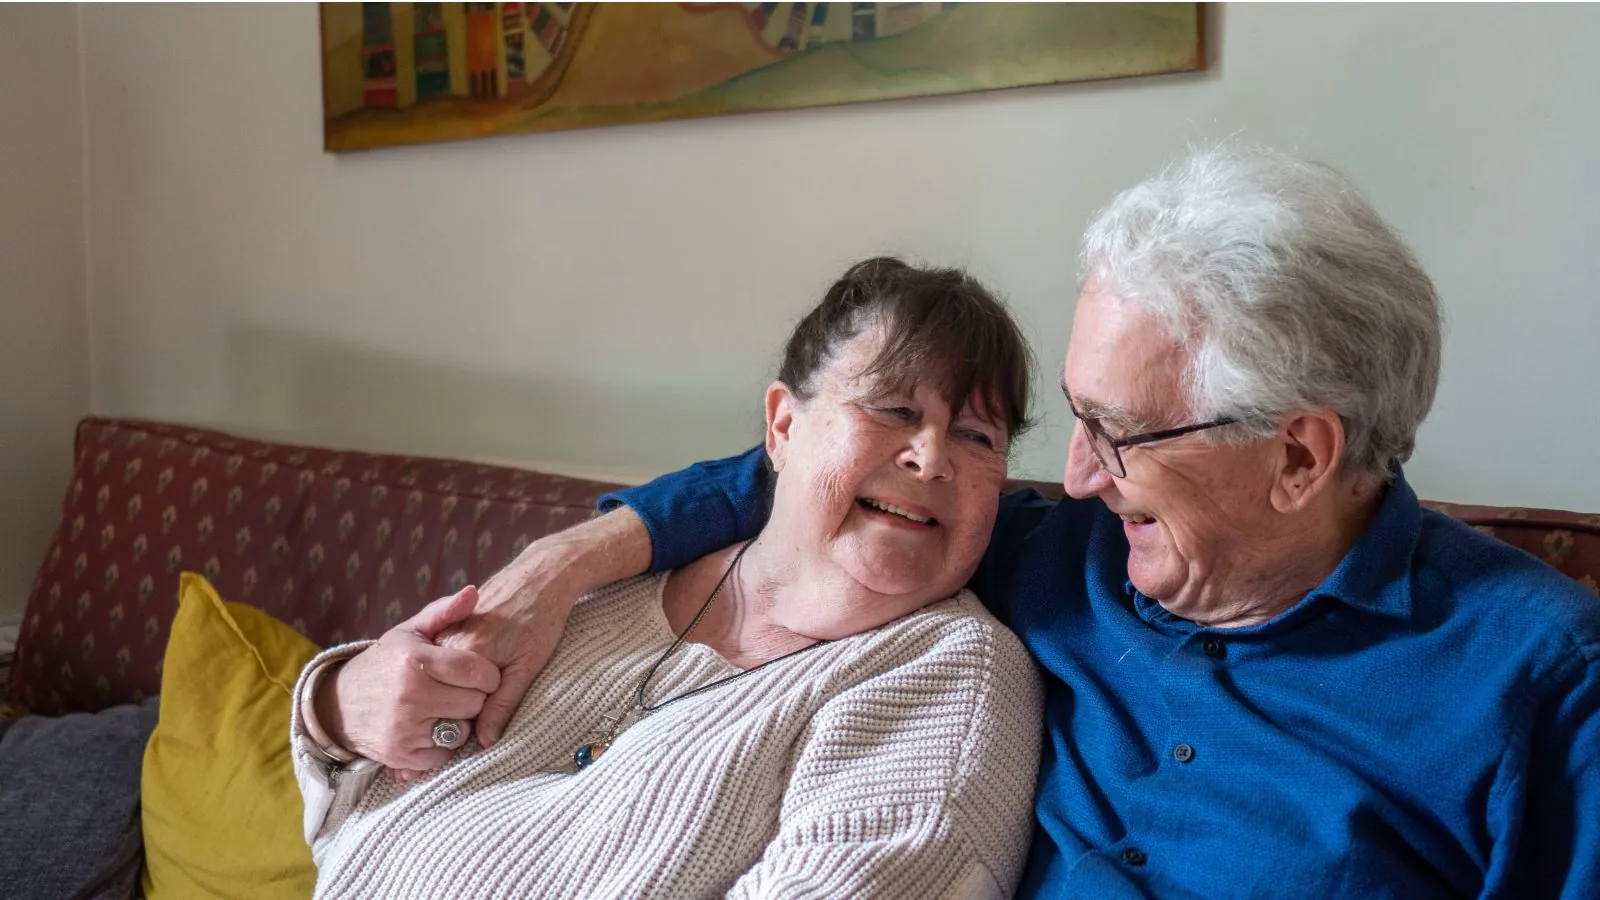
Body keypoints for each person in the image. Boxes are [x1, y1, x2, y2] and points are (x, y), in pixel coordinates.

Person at [380, 145, 1600, 897]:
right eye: (1065, 421)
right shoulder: (1056, 553)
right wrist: (570, 559)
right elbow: (812, 474)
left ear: (1297, 456)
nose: (1072, 476)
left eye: (1118, 433)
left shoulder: (1542, 683)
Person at [291, 258, 1046, 897]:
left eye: (978, 436)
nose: (932, 457)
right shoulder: (589, 586)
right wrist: (335, 707)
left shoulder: (947, 676)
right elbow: (359, 802)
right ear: (782, 427)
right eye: (893, 408)